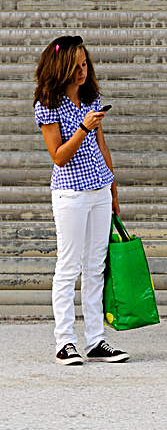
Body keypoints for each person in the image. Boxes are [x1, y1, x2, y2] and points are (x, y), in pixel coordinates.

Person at [33, 34, 129, 365]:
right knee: (68, 266)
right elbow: (59, 156)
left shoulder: (92, 99)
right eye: (75, 66)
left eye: (85, 63)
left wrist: (113, 188)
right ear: (60, 68)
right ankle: (65, 342)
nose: (82, 71)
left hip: (100, 191)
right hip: (71, 193)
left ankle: (96, 340)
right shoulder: (47, 104)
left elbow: (103, 148)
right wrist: (84, 128)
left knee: (94, 267)